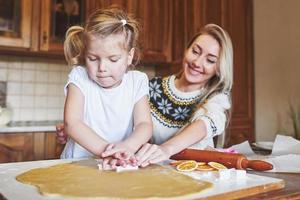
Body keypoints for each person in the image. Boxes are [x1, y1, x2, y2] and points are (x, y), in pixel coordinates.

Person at [57, 23, 233, 168]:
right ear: (186, 50)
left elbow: (202, 126)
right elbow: (116, 110)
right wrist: (74, 125)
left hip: (192, 169)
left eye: (210, 60)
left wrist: (165, 149)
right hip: (150, 168)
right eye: (195, 51)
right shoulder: (152, 86)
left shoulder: (218, 98)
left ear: (219, 67)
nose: (197, 62)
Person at [60, 6, 153, 169]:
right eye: (93, 58)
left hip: (119, 163)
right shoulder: (79, 77)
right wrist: (108, 151)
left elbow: (144, 124)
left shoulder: (137, 81)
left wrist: (127, 147)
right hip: (78, 164)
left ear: (129, 56)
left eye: (113, 59)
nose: (102, 67)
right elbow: (72, 123)